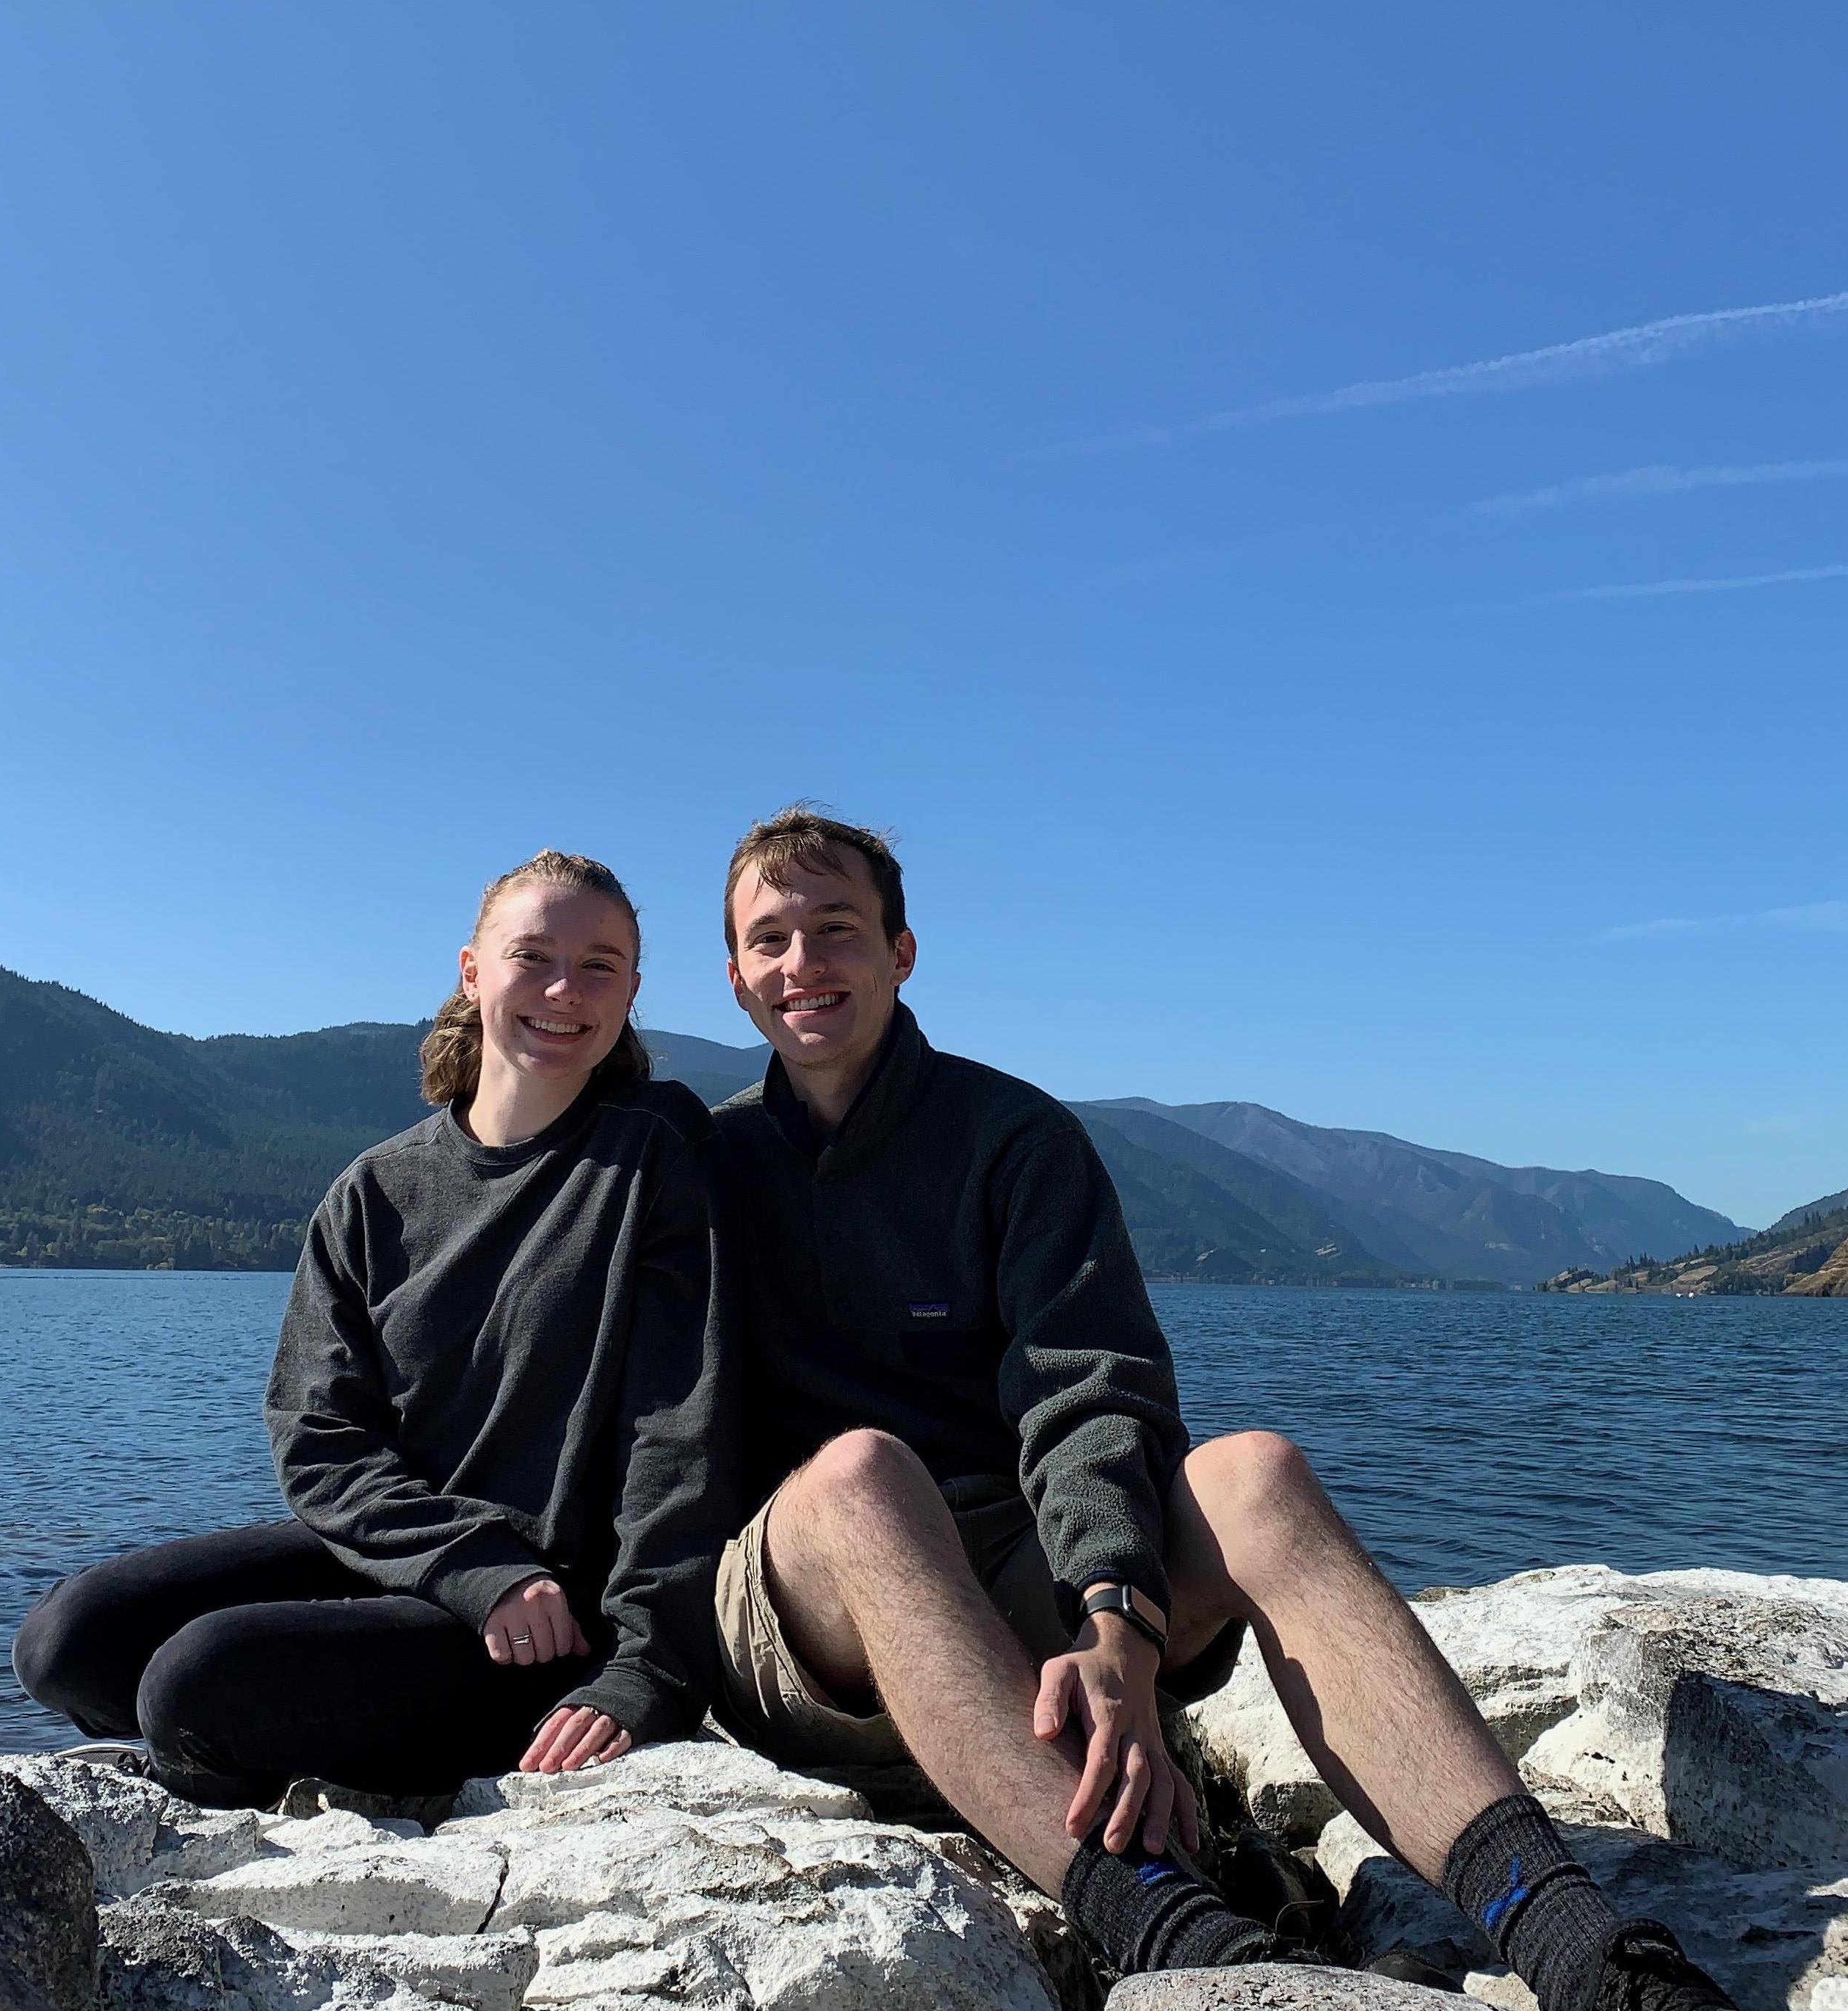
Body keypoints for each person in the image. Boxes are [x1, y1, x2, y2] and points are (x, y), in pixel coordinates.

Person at [707, 806, 1733, 2011]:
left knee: (1254, 1471)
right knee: (858, 1474)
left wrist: (1118, 1624)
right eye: (769, 938)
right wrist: (618, 1661)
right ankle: (1182, 1937)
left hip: (1013, 1572)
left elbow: (1088, 1388)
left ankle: (1577, 1944)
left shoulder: (1011, 1140)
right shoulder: (701, 1160)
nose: (801, 964)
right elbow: (635, 1425)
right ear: (732, 974)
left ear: (901, 951)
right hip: (808, 1616)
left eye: (835, 929)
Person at [15, 850, 733, 1808]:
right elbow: (317, 1437)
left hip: (560, 1614)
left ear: (632, 991)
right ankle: (252, 1740)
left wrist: (648, 1667)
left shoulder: (653, 1149)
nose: (565, 989)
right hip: (434, 1567)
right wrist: (471, 1564)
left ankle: (266, 1765)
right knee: (71, 1640)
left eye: (599, 964)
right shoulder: (377, 1191)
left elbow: (680, 1428)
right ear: (473, 971)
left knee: (196, 1683)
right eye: (533, 956)